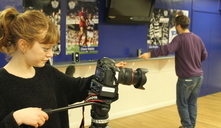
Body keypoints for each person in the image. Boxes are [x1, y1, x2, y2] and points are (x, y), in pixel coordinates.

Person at [0, 7, 126, 128]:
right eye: (45, 48)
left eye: (52, 48)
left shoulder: (48, 73)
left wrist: (105, 75)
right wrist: (16, 118)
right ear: (23, 45)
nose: (50, 54)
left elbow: (79, 87)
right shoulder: (2, 83)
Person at [139, 15, 208, 128]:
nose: (175, 28)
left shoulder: (180, 39)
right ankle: (191, 125)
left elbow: (167, 49)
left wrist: (150, 54)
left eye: (176, 25)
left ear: (179, 26)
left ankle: (187, 126)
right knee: (192, 103)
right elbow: (204, 55)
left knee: (182, 104)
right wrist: (195, 63)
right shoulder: (197, 38)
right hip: (199, 76)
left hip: (187, 78)